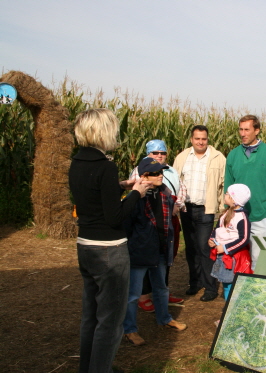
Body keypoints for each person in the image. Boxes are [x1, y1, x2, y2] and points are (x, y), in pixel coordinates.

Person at [69, 108, 150, 373]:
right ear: (103, 131)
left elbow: (93, 195)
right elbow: (115, 217)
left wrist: (121, 186)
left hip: (85, 246)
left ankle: (89, 367)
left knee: (90, 316)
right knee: (111, 322)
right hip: (109, 252)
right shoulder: (106, 165)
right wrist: (137, 192)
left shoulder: (78, 162)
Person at [122, 158, 187, 346]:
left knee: (161, 288)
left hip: (159, 249)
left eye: (161, 172)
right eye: (156, 173)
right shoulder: (134, 199)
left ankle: (165, 318)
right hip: (140, 252)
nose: (161, 176)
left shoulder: (164, 194)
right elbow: (127, 226)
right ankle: (130, 329)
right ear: (144, 176)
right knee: (133, 294)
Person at [129, 139, 185, 311]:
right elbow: (135, 196)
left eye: (162, 153)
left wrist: (177, 205)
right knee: (147, 259)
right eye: (155, 153)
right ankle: (144, 296)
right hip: (148, 224)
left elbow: (181, 189)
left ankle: (163, 293)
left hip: (169, 218)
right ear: (148, 154)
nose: (159, 156)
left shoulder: (172, 171)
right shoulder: (140, 172)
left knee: (166, 256)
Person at [173, 125, 226, 301]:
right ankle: (195, 283)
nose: (201, 142)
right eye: (197, 139)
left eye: (204, 139)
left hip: (206, 209)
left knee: (205, 248)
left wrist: (221, 208)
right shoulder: (182, 157)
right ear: (191, 139)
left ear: (208, 139)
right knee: (191, 248)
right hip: (187, 209)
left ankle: (210, 287)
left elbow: (222, 185)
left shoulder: (218, 158)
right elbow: (175, 181)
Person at [224, 115, 266, 270]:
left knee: (259, 260)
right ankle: (237, 290)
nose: (243, 133)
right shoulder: (233, 155)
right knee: (236, 257)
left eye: (247, 130)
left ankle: (257, 291)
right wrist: (228, 208)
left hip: (261, 217)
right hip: (237, 216)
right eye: (240, 129)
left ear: (257, 130)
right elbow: (228, 185)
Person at [209, 184, 253, 301]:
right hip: (222, 256)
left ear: (234, 199)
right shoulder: (225, 213)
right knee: (225, 283)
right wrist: (212, 239)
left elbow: (244, 239)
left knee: (231, 285)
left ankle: (230, 312)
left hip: (232, 257)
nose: (225, 195)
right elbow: (217, 229)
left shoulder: (242, 218)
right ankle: (228, 312)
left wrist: (226, 248)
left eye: (228, 194)